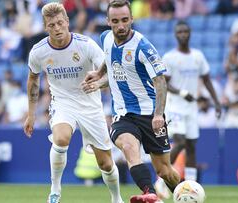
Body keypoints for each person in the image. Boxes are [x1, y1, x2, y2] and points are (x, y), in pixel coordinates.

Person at [23, 3, 123, 203]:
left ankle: (116, 198)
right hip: (62, 102)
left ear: (68, 22)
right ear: (45, 27)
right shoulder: (38, 51)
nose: (57, 28)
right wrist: (31, 114)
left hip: (90, 105)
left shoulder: (85, 44)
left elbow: (110, 71)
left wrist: (99, 84)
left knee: (105, 164)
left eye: (60, 23)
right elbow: (33, 80)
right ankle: (55, 190)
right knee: (60, 139)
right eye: (51, 25)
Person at [81, 1, 180, 203]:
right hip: (123, 114)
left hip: (151, 115)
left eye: (125, 20)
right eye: (115, 21)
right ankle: (151, 195)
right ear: (108, 21)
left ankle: (183, 195)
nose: (121, 26)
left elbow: (160, 82)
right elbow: (110, 61)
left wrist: (159, 114)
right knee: (128, 146)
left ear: (132, 19)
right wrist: (99, 74)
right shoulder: (105, 38)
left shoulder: (143, 47)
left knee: (165, 170)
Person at [162, 21, 222, 182]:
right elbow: (163, 83)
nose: (183, 34)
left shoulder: (198, 56)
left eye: (185, 31)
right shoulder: (169, 57)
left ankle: (191, 184)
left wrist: (216, 102)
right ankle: (161, 179)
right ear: (175, 35)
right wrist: (181, 93)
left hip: (191, 107)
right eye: (180, 32)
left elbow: (207, 80)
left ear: (190, 33)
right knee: (180, 141)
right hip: (175, 106)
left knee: (191, 146)